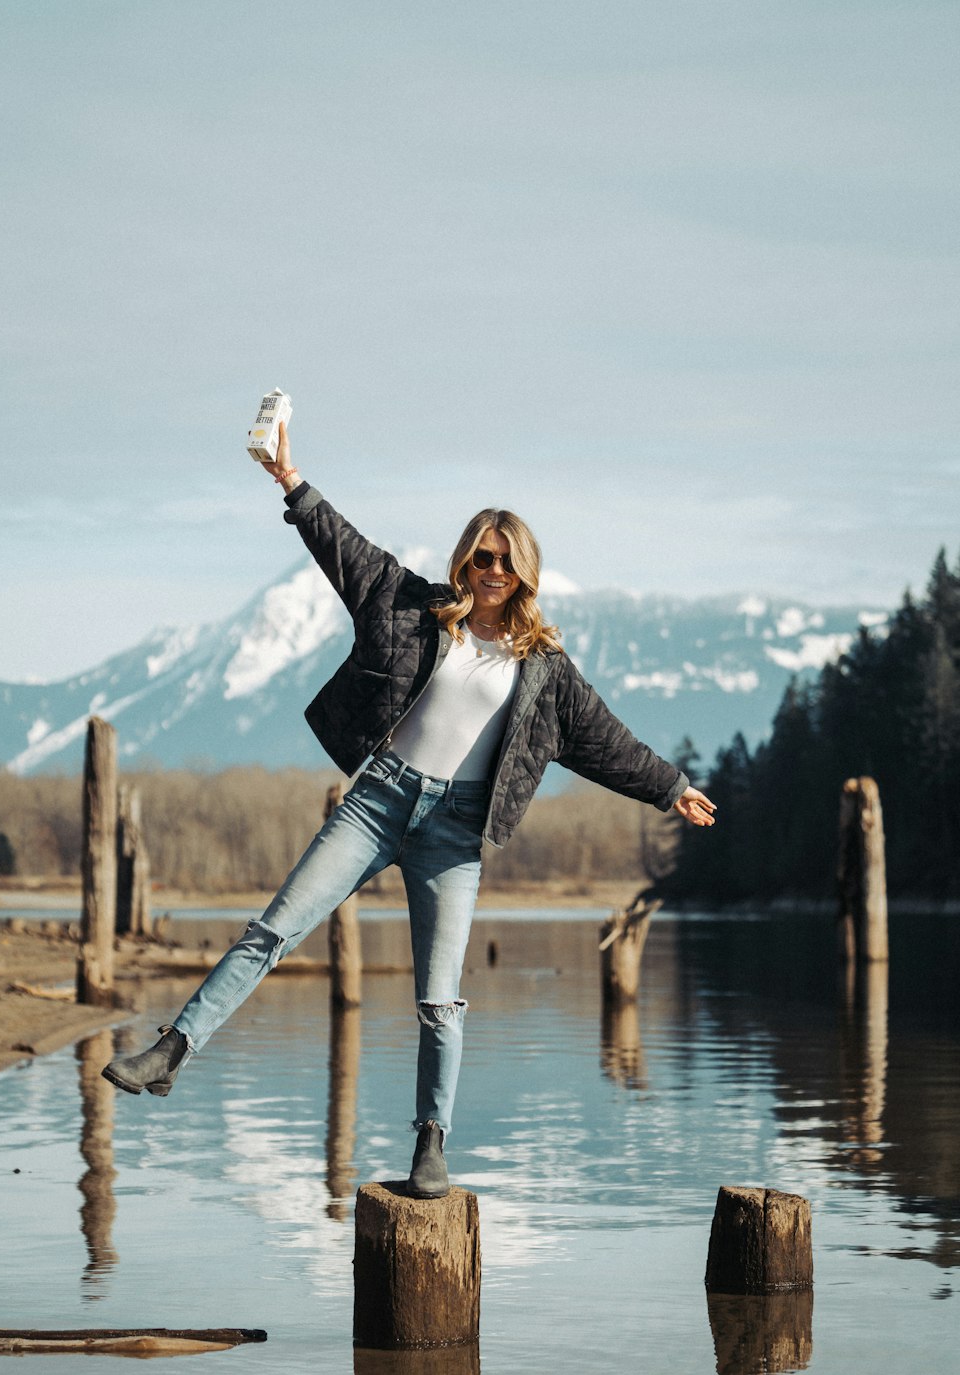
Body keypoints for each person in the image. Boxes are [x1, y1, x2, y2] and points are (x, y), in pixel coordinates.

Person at [103, 421, 716, 1196]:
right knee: (273, 930)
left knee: (439, 1000)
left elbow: (605, 742)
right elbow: (343, 547)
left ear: (524, 571)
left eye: (503, 560)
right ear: (465, 559)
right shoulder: (410, 608)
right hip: (378, 801)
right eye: (479, 556)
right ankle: (171, 1053)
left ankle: (431, 1142)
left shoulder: (546, 671)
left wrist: (670, 786)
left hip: (454, 832)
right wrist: (292, 481)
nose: (489, 569)